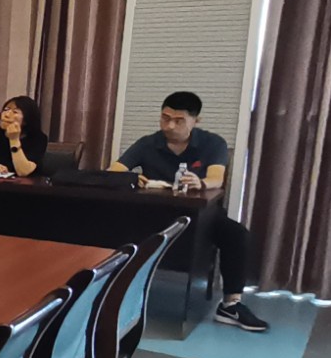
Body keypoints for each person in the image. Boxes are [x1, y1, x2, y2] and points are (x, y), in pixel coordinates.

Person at [110, 92, 268, 332]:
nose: (169, 126)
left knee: (237, 235)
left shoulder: (212, 143)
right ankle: (111, 293)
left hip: (202, 216)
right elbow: (114, 170)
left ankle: (230, 305)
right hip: (154, 214)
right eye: (165, 118)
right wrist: (130, 178)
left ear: (196, 121)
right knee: (109, 223)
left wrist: (200, 183)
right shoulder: (148, 143)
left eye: (178, 120)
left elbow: (216, 178)